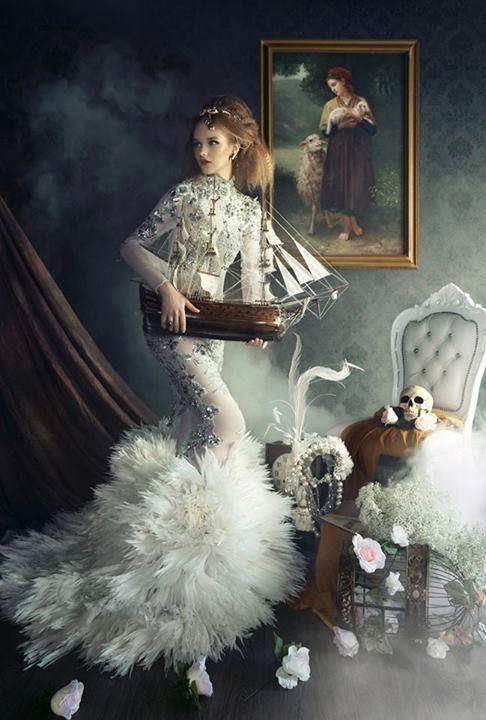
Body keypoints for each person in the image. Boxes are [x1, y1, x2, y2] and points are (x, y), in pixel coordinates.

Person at [0, 96, 303, 680]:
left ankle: (173, 565)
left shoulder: (248, 211)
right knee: (230, 424)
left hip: (215, 329)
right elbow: (131, 247)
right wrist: (166, 286)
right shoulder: (183, 194)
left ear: (237, 147)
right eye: (197, 143)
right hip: (171, 327)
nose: (202, 152)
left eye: (213, 143)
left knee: (191, 425)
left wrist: (257, 323)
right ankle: (187, 526)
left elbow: (252, 280)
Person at [319, 67, 376, 242]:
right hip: (338, 151)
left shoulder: (360, 102)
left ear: (343, 81)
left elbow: (372, 129)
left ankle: (352, 222)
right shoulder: (330, 105)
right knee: (341, 185)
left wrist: (359, 120)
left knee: (354, 186)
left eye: (334, 84)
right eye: (330, 86)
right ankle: (348, 226)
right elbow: (325, 132)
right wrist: (340, 127)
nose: (333, 89)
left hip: (357, 150)